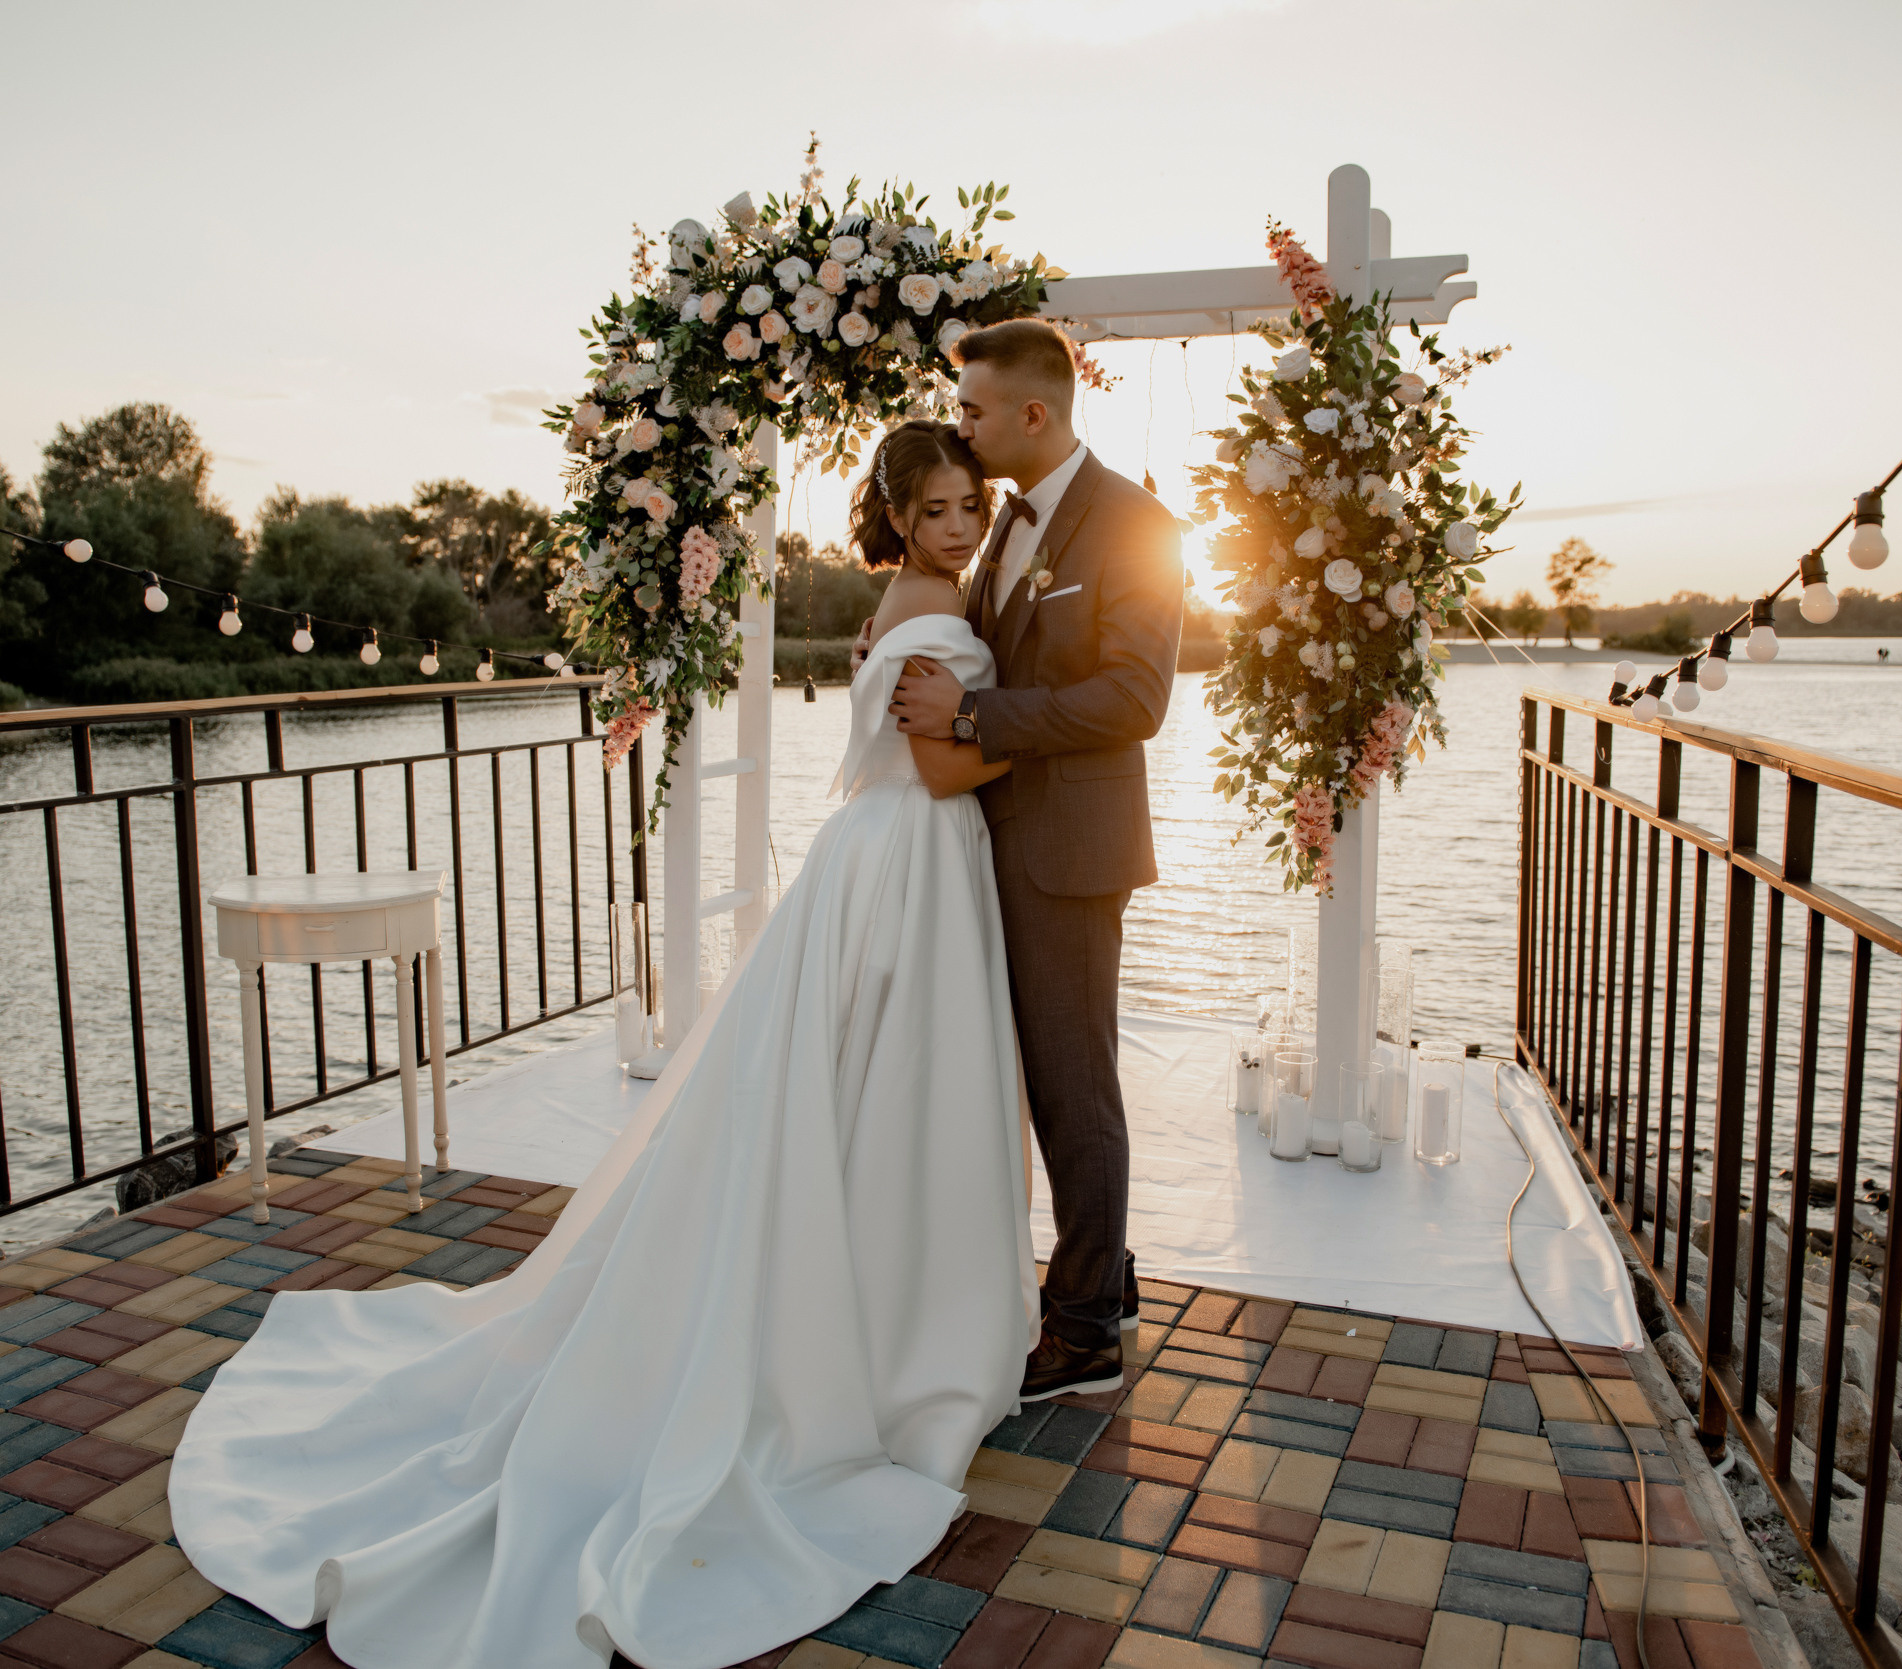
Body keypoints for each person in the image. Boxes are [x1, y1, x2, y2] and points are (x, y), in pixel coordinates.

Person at [170, 422, 1036, 1669]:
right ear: (900, 517)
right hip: (908, 864)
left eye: (971, 504)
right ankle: (887, 1339)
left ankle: (889, 1317)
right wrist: (1059, 736)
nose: (958, 524)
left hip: (881, 867)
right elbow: (947, 775)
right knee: (889, 1096)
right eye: (939, 508)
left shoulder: (904, 600)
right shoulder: (932, 615)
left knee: (863, 1101)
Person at [878, 318, 1185, 1402]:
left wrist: (974, 712)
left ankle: (1088, 1326)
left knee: (1074, 1089)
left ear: (1032, 413)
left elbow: (1133, 700)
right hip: (993, 838)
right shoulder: (1007, 520)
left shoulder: (1134, 525)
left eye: (971, 410)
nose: (960, 425)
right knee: (1041, 1082)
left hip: (1067, 851)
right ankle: (1109, 1274)